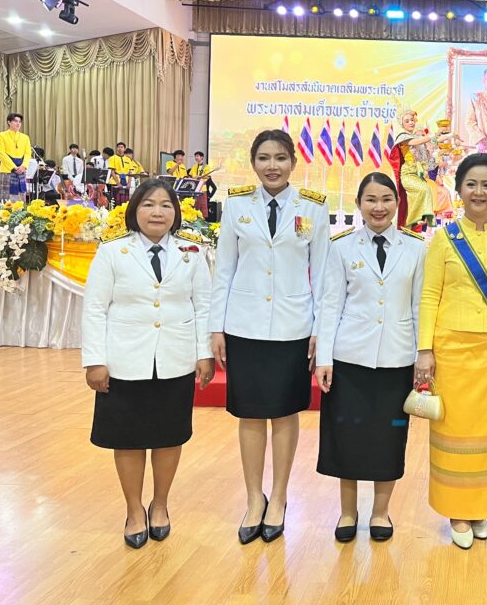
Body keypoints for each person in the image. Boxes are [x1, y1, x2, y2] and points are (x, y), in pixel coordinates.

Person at [210, 129, 330, 545]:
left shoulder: (313, 207)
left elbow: (324, 275)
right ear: (253, 162)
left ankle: (278, 497)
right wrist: (216, 327)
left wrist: (319, 329)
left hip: (293, 327)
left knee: (283, 412)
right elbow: (224, 269)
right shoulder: (237, 204)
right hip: (244, 326)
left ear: (293, 162)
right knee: (249, 413)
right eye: (264, 158)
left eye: (280, 157)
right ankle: (252, 499)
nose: (272, 166)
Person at [81, 179, 214, 548]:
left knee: (169, 436)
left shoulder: (192, 252)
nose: (158, 212)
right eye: (149, 204)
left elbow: (203, 307)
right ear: (134, 210)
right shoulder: (112, 252)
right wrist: (94, 361)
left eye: (166, 205)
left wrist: (203, 353)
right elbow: (94, 309)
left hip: (175, 359)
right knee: (127, 438)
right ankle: (134, 509)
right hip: (124, 361)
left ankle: (160, 505)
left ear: (176, 213)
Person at [417, 153, 487, 549]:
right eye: (471, 184)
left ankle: (479, 508)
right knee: (453, 430)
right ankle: (456, 510)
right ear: (459, 189)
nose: (479, 192)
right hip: (452, 351)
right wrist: (425, 349)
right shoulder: (444, 239)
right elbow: (430, 295)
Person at [314, 172, 426, 543]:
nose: (379, 207)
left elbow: (418, 307)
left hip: (396, 358)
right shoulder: (342, 246)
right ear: (359, 204)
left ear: (398, 203)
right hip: (350, 358)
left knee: (388, 438)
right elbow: (330, 304)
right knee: (345, 435)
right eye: (371, 200)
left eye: (386, 199)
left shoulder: (416, 248)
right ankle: (348, 512)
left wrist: (420, 357)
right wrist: (324, 358)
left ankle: (381, 512)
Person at [386, 108, 439, 230]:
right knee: (424, 189)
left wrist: (446, 134)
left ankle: (412, 224)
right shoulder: (403, 137)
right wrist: (433, 135)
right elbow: (419, 141)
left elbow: (431, 142)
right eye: (407, 121)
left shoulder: (415, 137)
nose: (410, 122)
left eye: (412, 120)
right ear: (402, 124)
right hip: (407, 175)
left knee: (423, 193)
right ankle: (420, 218)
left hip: (417, 174)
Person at [0, 112, 32, 202]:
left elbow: (28, 153)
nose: (18, 123)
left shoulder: (25, 137)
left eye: (20, 122)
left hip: (21, 169)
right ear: (9, 122)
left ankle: (20, 211)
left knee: (20, 196)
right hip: (7, 170)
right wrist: (14, 167)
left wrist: (23, 166)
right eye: (15, 121)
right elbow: (1, 153)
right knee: (5, 197)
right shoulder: (1, 135)